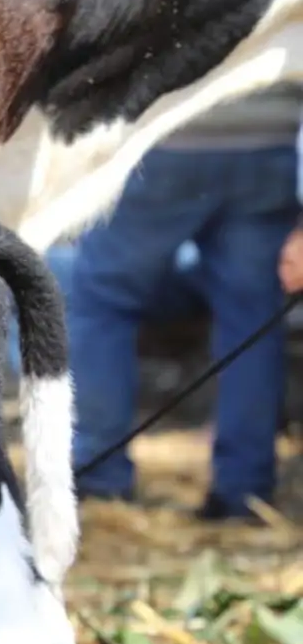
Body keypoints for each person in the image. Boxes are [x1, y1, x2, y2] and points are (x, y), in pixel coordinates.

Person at [56, 84, 303, 523]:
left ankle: (100, 479)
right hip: (271, 139)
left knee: (102, 301)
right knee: (252, 320)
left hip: (167, 137)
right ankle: (244, 493)